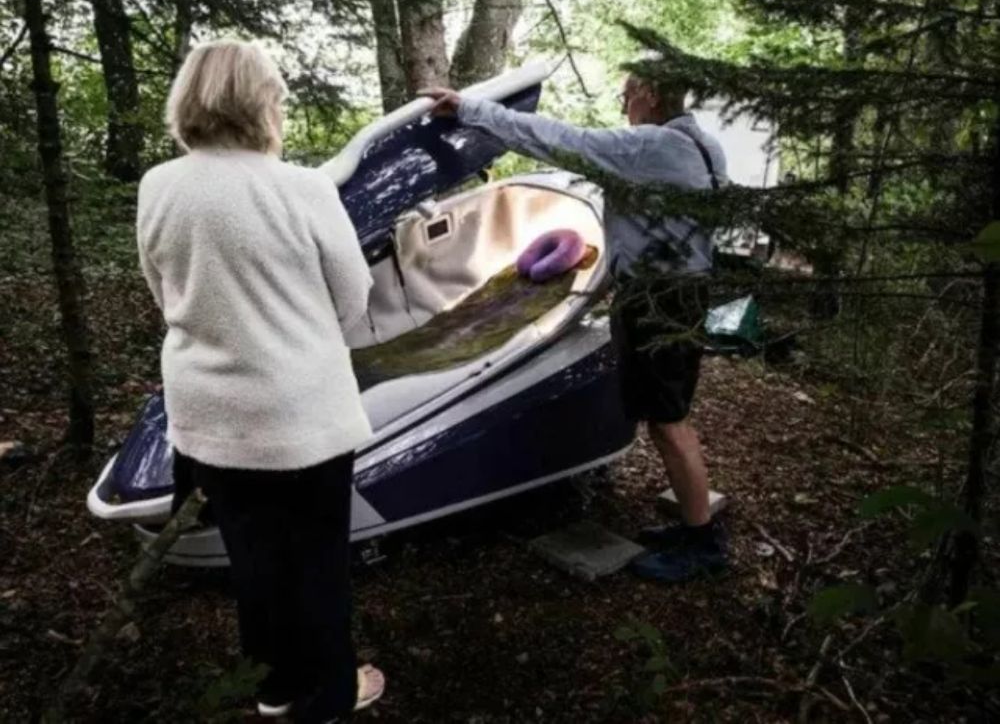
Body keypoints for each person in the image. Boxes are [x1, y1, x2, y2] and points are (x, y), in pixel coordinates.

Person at [138, 39, 385, 721]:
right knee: (318, 565)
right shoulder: (302, 189)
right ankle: (331, 694)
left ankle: (273, 690)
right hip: (300, 411)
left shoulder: (158, 185)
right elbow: (353, 296)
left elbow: (165, 294)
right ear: (263, 102)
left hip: (209, 415)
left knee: (252, 562)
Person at [419, 72, 728, 583]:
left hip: (660, 299)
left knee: (670, 422)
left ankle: (703, 542)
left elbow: (558, 140)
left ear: (651, 93)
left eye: (627, 93)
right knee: (666, 416)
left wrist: (471, 109)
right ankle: (694, 527)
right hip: (681, 292)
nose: (624, 103)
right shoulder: (704, 145)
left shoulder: (651, 145)